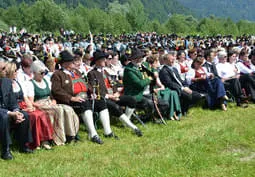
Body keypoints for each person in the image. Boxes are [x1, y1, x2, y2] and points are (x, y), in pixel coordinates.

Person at [51, 50, 116, 144]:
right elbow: (56, 91)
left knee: (101, 101)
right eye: (71, 61)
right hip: (72, 100)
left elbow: (86, 84)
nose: (73, 63)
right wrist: (71, 98)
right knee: (85, 104)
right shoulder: (57, 75)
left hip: (85, 97)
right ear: (64, 64)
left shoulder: (77, 72)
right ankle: (93, 134)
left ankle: (108, 131)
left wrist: (91, 92)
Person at [89, 50, 143, 136]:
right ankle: (133, 127)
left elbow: (113, 83)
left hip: (113, 95)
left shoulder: (106, 71)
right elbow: (93, 89)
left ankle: (126, 121)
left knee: (131, 100)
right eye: (103, 59)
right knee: (115, 107)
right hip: (103, 98)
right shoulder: (92, 73)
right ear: (97, 61)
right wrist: (109, 96)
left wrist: (116, 93)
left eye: (105, 59)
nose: (105, 61)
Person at [27, 59, 79, 146]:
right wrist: (41, 105)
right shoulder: (30, 84)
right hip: (39, 104)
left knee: (67, 108)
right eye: (41, 73)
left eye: (44, 73)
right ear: (35, 73)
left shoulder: (46, 81)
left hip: (49, 102)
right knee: (58, 110)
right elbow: (31, 102)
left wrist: (53, 102)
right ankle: (58, 138)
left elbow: (52, 96)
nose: (43, 75)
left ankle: (70, 134)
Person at [5, 61, 54, 150]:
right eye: (15, 71)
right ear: (10, 72)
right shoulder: (6, 84)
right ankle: (35, 142)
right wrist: (23, 109)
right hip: (14, 108)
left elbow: (24, 97)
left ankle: (44, 140)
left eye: (17, 70)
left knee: (40, 113)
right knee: (34, 116)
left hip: (23, 105)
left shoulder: (16, 82)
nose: (16, 72)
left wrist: (30, 106)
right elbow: (9, 102)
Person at [123, 48, 169, 121]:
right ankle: (147, 118)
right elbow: (140, 84)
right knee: (150, 103)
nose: (138, 60)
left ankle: (155, 117)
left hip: (148, 92)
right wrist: (151, 78)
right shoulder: (129, 70)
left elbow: (152, 69)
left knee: (165, 103)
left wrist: (154, 71)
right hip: (136, 94)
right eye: (136, 58)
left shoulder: (143, 65)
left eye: (140, 58)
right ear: (132, 59)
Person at [0, 59, 32, 160]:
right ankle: (6, 149)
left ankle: (23, 145)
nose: (6, 70)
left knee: (24, 115)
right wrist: (10, 113)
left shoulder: (7, 82)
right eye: (3, 68)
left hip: (7, 111)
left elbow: (13, 101)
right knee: (4, 117)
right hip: (2, 113)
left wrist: (16, 111)